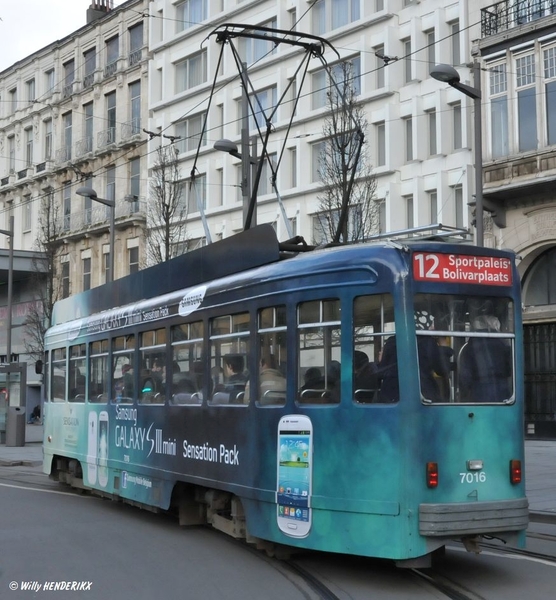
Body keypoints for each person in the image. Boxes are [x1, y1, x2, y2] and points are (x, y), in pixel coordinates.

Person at [458, 314, 512, 402]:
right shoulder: (504, 343)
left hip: (479, 390)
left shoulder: (470, 346)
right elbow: (510, 369)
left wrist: (464, 394)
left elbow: (465, 376)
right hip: (502, 389)